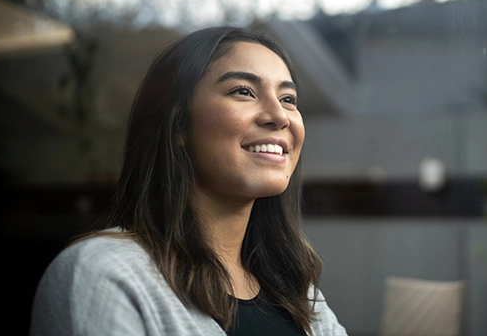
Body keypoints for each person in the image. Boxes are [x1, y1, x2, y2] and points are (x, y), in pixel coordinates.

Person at [29, 26, 348, 336]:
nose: (279, 116)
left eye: (288, 98)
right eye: (243, 91)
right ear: (178, 124)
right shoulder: (103, 273)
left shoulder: (300, 295)